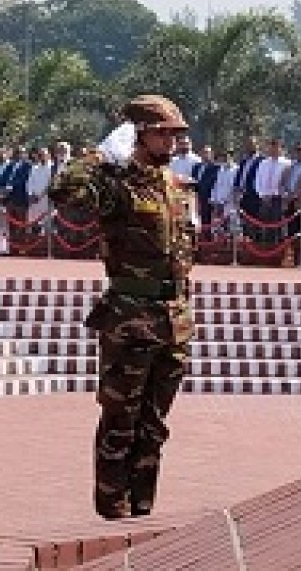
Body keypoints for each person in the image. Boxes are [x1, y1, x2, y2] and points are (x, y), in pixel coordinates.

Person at [48, 95, 198, 520]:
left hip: (172, 319)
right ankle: (112, 514)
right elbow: (65, 192)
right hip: (131, 320)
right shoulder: (116, 186)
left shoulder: (176, 188)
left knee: (155, 427)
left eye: (175, 134)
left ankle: (143, 511)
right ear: (137, 135)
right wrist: (97, 156)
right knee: (120, 423)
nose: (171, 141)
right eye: (162, 133)